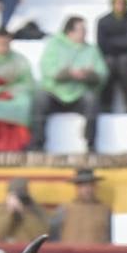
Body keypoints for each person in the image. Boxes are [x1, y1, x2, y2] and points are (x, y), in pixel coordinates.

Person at [31, 16, 107, 153]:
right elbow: (47, 69)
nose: (85, 33)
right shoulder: (54, 45)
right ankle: (37, 145)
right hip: (54, 93)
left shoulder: (91, 50)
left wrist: (89, 75)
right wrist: (69, 73)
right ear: (70, 32)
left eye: (85, 30)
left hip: (79, 94)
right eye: (81, 30)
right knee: (40, 98)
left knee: (91, 99)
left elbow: (102, 74)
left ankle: (91, 145)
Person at [97, 0, 127, 113]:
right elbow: (102, 44)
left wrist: (112, 41)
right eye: (117, 2)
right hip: (110, 57)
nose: (120, 5)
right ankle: (105, 105)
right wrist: (125, 41)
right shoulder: (103, 21)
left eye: (122, 2)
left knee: (125, 62)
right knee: (109, 63)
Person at [49, 168, 112, 244]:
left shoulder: (105, 210)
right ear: (77, 188)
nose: (88, 189)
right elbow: (53, 237)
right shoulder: (65, 209)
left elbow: (109, 238)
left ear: (95, 187)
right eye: (83, 186)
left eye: (91, 185)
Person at [0, 177, 50, 244]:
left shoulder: (36, 209)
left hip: (31, 249)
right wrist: (10, 212)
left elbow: (40, 235)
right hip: (11, 249)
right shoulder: (2, 210)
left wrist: (24, 212)